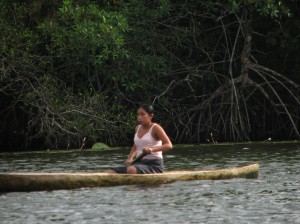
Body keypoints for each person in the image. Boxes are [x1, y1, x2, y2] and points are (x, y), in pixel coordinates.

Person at [110, 104, 173, 174]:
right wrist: (130, 158)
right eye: (138, 115)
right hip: (138, 162)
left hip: (154, 164)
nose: (139, 117)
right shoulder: (137, 128)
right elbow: (136, 145)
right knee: (113, 171)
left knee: (131, 170)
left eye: (142, 114)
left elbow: (169, 145)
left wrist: (152, 149)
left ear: (151, 116)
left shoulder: (156, 128)